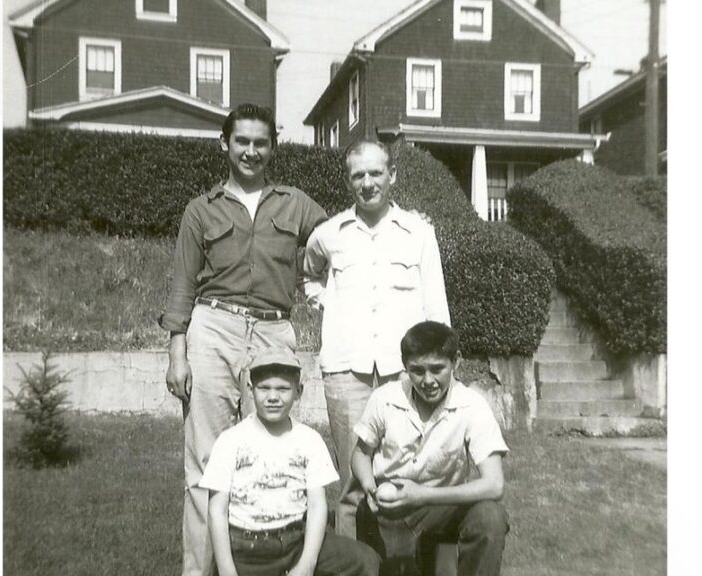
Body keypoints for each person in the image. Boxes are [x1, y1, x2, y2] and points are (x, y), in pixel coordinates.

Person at [161, 103, 328, 576]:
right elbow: (181, 286)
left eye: (261, 142)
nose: (251, 151)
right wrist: (178, 354)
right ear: (225, 144)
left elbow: (339, 243)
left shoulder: (296, 203)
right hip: (213, 329)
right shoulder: (201, 210)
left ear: (273, 147)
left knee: (269, 456)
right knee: (207, 464)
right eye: (242, 141)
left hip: (274, 333)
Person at [303, 140, 451, 538]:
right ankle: (355, 563)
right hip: (345, 371)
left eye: (376, 173)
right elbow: (309, 272)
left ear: (392, 176)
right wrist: (325, 302)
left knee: (408, 471)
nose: (367, 183)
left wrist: (441, 369)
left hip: (405, 374)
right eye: (358, 175)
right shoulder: (329, 233)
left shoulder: (419, 232)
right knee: (353, 483)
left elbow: (436, 307)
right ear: (348, 180)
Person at [199, 345, 381, 576]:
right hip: (245, 547)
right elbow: (217, 510)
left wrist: (307, 564)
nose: (273, 397)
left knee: (365, 560)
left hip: (295, 540)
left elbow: (317, 506)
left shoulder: (309, 440)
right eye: (264, 388)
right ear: (250, 388)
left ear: (299, 391)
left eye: (283, 389)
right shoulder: (230, 441)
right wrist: (226, 570)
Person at [351, 321, 509, 576]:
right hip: (392, 510)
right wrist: (370, 487)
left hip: (446, 508)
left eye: (437, 369)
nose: (428, 381)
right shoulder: (385, 398)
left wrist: (422, 495)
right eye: (417, 371)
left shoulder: (472, 405)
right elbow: (360, 454)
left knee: (489, 517)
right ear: (405, 367)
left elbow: (494, 485)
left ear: (455, 361)